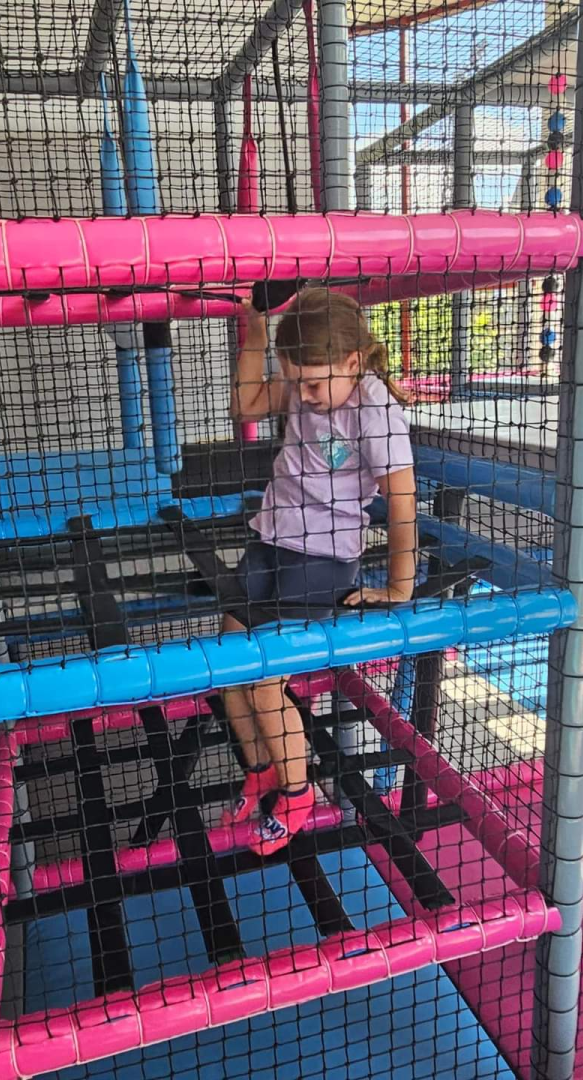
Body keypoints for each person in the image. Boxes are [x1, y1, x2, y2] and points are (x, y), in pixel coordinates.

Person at [222, 287, 417, 856]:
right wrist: (256, 333)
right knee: (226, 661)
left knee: (264, 682)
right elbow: (247, 405)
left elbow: (402, 500)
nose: (303, 395)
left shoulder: (373, 407)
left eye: (311, 384)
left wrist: (398, 587)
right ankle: (260, 769)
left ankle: (298, 793)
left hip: (324, 556)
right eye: (296, 381)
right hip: (272, 537)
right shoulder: (310, 379)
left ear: (353, 362)